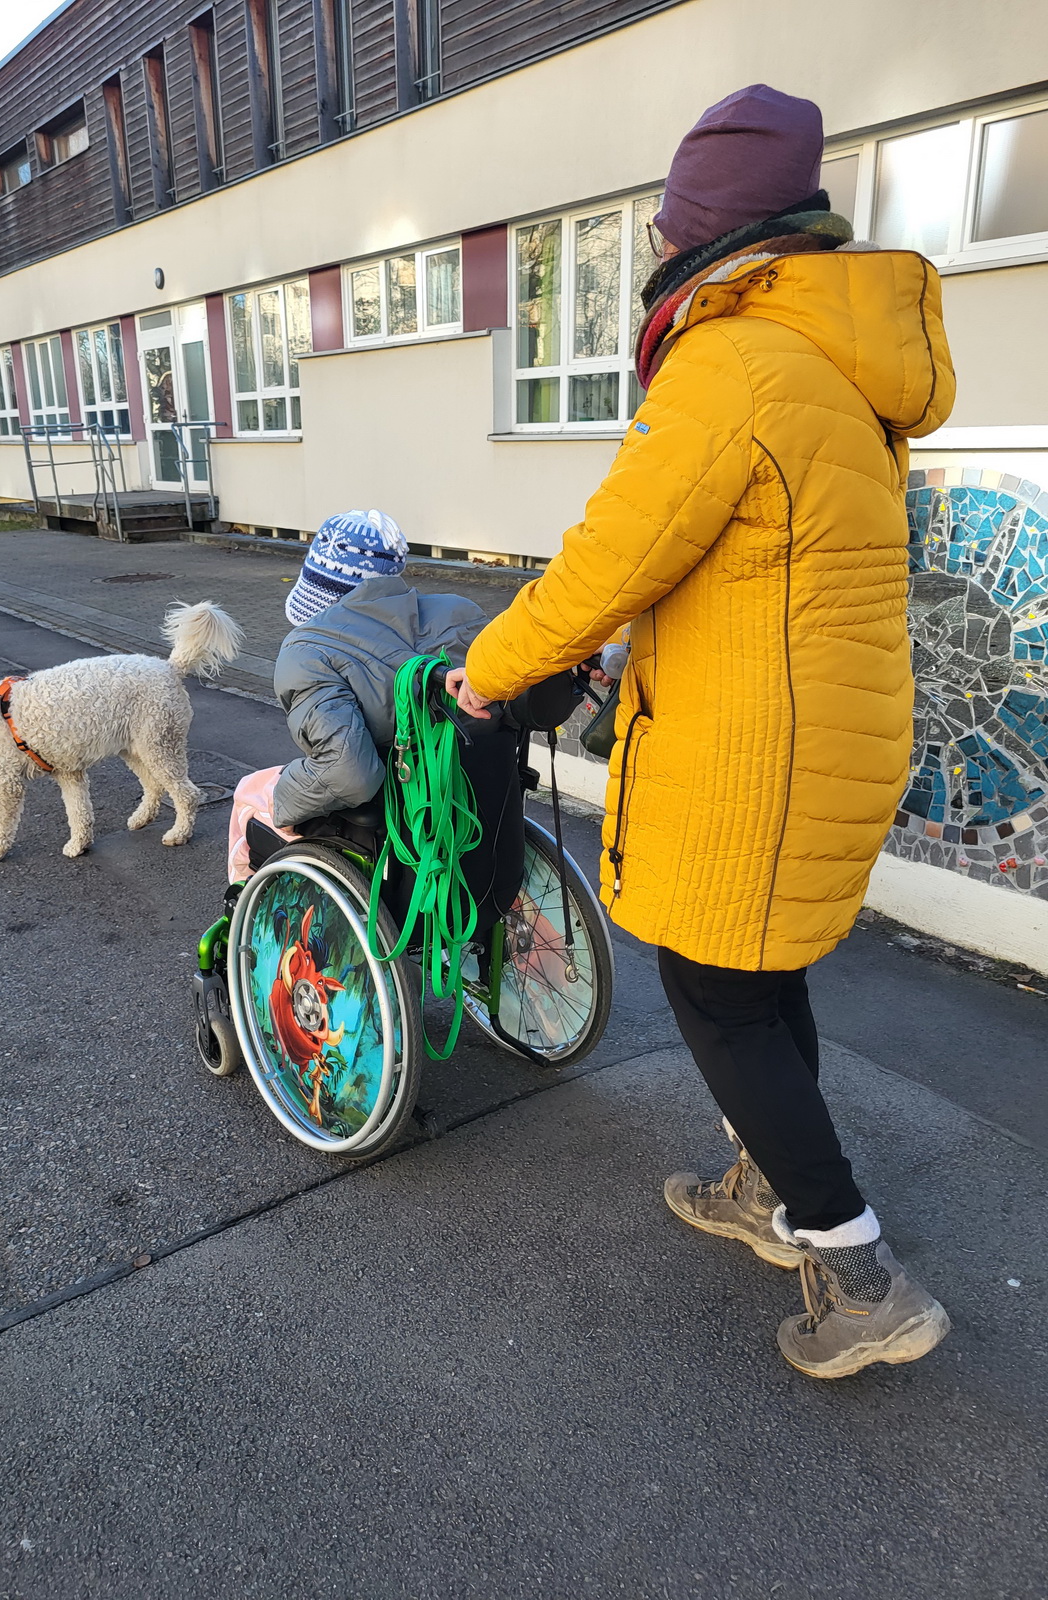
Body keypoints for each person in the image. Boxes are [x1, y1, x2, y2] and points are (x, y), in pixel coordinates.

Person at [447, 83, 956, 1380]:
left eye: (665, 228)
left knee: (717, 994)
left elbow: (610, 556)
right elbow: (750, 569)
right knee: (759, 979)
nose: (658, 249)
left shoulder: (734, 362)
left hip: (757, 759)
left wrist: (489, 671)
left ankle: (859, 1273)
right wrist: (638, 651)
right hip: (812, 738)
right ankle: (769, 1191)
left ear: (705, 235)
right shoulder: (828, 366)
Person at [227, 510, 523, 925]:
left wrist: (283, 802)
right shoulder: (462, 613)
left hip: (396, 841)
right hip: (484, 842)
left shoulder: (309, 653)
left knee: (252, 792)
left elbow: (351, 774)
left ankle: (249, 921)